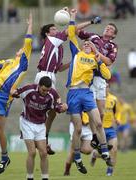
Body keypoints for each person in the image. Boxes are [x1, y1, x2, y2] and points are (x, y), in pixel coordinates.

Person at [34, 7, 102, 155]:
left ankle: (44, 139)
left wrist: (74, 62)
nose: (55, 30)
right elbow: (72, 30)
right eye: (52, 29)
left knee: (51, 112)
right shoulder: (52, 39)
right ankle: (39, 139)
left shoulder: (56, 48)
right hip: (45, 76)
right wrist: (90, 21)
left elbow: (59, 68)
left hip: (49, 75)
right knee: (50, 108)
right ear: (47, 34)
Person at [66, 8, 112, 174]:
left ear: (92, 49)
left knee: (98, 122)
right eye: (84, 43)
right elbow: (71, 32)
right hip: (73, 94)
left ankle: (105, 151)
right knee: (77, 129)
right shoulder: (76, 53)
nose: (86, 44)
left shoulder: (94, 59)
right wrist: (72, 16)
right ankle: (77, 158)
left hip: (86, 93)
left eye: (88, 44)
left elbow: (107, 74)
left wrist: (100, 61)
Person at [12, 76, 68, 180]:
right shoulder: (29, 89)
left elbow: (57, 108)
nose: (45, 92)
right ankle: (29, 177)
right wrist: (11, 91)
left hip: (41, 125)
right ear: (38, 85)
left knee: (43, 153)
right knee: (32, 152)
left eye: (47, 90)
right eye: (43, 90)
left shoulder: (52, 94)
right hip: (26, 123)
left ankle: (45, 177)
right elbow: (15, 92)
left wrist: (63, 107)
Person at [0, 13, 33, 174]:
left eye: (22, 49)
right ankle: (4, 157)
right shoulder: (8, 62)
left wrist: (30, 24)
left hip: (4, 97)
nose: (20, 49)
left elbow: (28, 41)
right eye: (19, 49)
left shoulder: (23, 62)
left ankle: (4, 157)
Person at [77, 17, 118, 149]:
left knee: (100, 114)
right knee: (92, 110)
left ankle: (96, 139)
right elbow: (77, 30)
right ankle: (98, 140)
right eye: (107, 27)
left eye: (111, 29)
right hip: (90, 77)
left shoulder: (113, 46)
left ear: (114, 35)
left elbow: (109, 62)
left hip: (101, 79)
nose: (108, 28)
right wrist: (91, 22)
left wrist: (97, 52)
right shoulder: (93, 36)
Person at [90, 85, 119, 176]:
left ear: (109, 88)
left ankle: (109, 171)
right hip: (100, 129)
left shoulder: (113, 99)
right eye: (104, 87)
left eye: (107, 87)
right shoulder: (96, 99)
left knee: (114, 150)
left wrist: (117, 119)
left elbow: (116, 112)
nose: (105, 89)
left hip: (110, 128)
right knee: (103, 152)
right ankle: (95, 154)